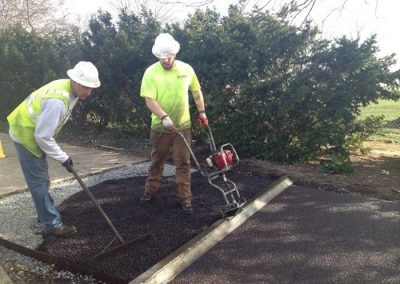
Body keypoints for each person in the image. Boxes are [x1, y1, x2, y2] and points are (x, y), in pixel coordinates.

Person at [7, 61, 101, 237]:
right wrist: (63, 158)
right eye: (85, 87)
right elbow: (42, 137)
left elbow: (45, 132)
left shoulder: (69, 89)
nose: (88, 92)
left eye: (91, 88)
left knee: (42, 178)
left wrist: (60, 156)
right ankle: (52, 224)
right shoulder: (57, 101)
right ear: (74, 81)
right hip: (25, 132)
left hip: (33, 129)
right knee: (38, 182)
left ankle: (46, 210)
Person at [139, 33, 208, 214]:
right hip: (160, 127)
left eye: (168, 58)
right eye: (162, 59)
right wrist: (163, 117)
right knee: (157, 160)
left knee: (183, 163)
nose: (166, 61)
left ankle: (185, 199)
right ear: (158, 57)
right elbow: (149, 100)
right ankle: (150, 192)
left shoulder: (186, 69)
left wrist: (202, 112)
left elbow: (196, 91)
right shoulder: (151, 72)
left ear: (174, 54)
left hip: (183, 126)